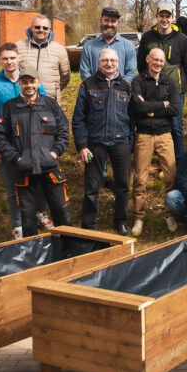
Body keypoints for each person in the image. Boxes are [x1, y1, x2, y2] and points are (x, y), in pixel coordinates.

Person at [0, 68, 72, 238]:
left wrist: (56, 152)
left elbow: (63, 130)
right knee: (27, 217)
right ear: (20, 83)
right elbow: (0, 136)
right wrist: (15, 157)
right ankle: (32, 252)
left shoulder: (50, 104)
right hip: (24, 169)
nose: (29, 85)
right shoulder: (9, 107)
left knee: (62, 210)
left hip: (49, 167)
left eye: (32, 81)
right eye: (25, 82)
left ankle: (67, 245)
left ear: (38, 82)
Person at [0, 42, 49, 239]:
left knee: (39, 183)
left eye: (12, 57)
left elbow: (46, 111)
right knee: (13, 189)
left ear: (19, 58)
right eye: (5, 58)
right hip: (8, 146)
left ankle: (40, 213)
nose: (9, 62)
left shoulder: (34, 81)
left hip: (34, 143)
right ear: (0, 60)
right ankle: (18, 225)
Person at [72, 48, 132, 235]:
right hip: (94, 144)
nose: (109, 63)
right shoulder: (88, 85)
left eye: (113, 60)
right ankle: (88, 225)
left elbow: (132, 117)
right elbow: (78, 118)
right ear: (98, 63)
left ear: (118, 63)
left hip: (121, 142)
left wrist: (130, 142)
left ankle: (120, 221)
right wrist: (82, 146)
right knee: (92, 188)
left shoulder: (125, 86)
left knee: (123, 186)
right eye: (105, 60)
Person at [129, 47, 179, 236]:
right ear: (148, 59)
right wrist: (162, 104)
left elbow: (175, 109)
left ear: (163, 63)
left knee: (171, 177)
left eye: (161, 61)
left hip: (165, 135)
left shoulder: (170, 83)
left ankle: (170, 214)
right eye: (155, 59)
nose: (158, 63)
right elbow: (138, 106)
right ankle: (138, 217)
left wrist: (151, 109)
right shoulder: (138, 81)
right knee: (140, 179)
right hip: (144, 135)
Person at [139, 5, 187, 160]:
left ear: (172, 18)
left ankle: (179, 161)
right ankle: (156, 159)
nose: (164, 19)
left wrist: (181, 84)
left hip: (175, 91)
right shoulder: (147, 37)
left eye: (167, 16)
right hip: (151, 89)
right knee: (155, 124)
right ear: (157, 17)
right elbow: (140, 64)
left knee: (176, 127)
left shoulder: (181, 39)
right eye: (161, 16)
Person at [16, 14, 70, 101]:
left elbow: (65, 76)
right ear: (31, 28)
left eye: (45, 28)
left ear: (49, 30)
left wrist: (54, 90)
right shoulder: (18, 47)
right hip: (23, 99)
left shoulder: (60, 50)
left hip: (50, 100)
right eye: (37, 27)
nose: (41, 30)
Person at [79, 7, 138, 83]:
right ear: (101, 21)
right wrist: (95, 89)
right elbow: (84, 72)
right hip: (94, 93)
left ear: (118, 23)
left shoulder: (129, 46)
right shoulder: (88, 47)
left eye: (113, 21)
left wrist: (119, 89)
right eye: (106, 20)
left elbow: (131, 73)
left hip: (121, 93)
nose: (109, 24)